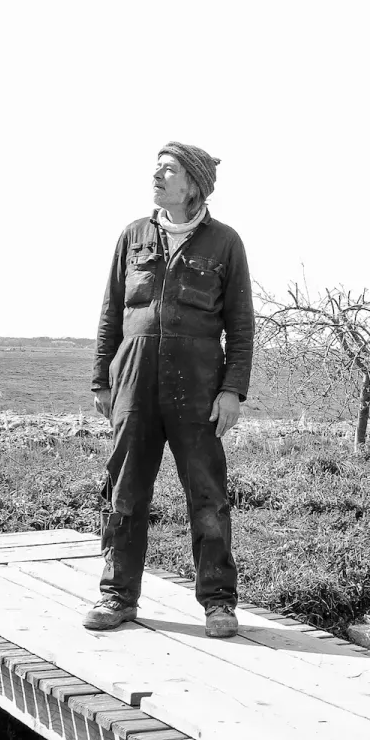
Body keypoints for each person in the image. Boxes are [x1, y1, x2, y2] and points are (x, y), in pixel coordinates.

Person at [88, 142, 254, 638]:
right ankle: (117, 596)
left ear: (193, 184)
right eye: (157, 168)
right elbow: (111, 312)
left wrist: (232, 390)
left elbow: (241, 325)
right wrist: (102, 379)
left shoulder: (224, 243)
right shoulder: (133, 236)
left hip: (198, 387)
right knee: (124, 490)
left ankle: (218, 603)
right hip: (134, 382)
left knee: (207, 495)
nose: (157, 176)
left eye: (169, 169)